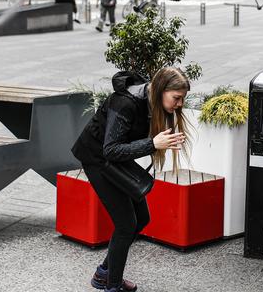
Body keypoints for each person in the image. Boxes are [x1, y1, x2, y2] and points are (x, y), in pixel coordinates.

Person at [71, 68, 190, 292]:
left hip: (114, 158)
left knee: (141, 218)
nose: (180, 104)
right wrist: (152, 144)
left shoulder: (150, 99)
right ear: (162, 90)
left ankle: (104, 273)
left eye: (183, 98)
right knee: (126, 225)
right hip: (97, 157)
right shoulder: (126, 103)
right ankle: (112, 286)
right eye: (177, 98)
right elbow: (111, 149)